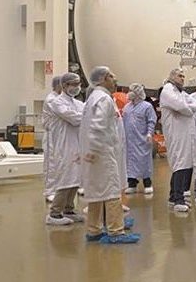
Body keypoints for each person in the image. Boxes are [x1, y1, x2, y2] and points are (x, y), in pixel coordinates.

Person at [80, 66, 140, 244]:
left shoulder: (94, 98)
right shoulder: (103, 99)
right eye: (112, 77)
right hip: (103, 153)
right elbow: (97, 126)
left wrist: (91, 149)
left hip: (96, 152)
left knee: (97, 191)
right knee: (112, 191)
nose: (115, 80)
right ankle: (116, 231)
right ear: (103, 78)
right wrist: (95, 149)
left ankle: (94, 230)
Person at [45, 72, 85, 225]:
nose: (77, 87)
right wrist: (83, 116)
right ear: (64, 85)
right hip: (64, 146)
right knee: (66, 178)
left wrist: (84, 116)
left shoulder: (77, 103)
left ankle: (69, 209)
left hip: (76, 144)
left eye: (78, 84)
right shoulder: (57, 103)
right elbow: (75, 119)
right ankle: (54, 213)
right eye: (73, 84)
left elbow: (86, 114)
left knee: (76, 178)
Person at [160, 68, 196, 212]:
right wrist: (189, 109)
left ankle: (174, 198)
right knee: (180, 164)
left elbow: (195, 104)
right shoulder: (167, 90)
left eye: (183, 76)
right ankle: (178, 200)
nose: (182, 78)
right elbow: (182, 107)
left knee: (184, 164)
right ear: (172, 77)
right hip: (175, 134)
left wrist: (189, 108)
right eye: (179, 76)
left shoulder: (181, 93)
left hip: (184, 133)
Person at [123, 83, 157, 194]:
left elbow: (151, 121)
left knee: (144, 161)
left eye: (131, 91)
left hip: (142, 139)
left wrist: (149, 133)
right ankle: (132, 183)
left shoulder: (147, 106)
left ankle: (147, 183)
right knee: (130, 161)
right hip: (129, 140)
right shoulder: (127, 107)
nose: (129, 93)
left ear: (137, 93)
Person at [41, 75, 62, 203]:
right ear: (59, 85)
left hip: (59, 135)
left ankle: (57, 190)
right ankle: (49, 191)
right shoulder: (51, 100)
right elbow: (65, 113)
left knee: (59, 163)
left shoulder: (59, 99)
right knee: (51, 164)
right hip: (51, 135)